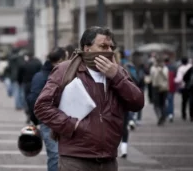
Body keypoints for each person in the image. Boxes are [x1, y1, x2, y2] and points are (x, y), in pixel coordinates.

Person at [34, 26, 144, 171]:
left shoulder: (119, 71)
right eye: (103, 46)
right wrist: (72, 125)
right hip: (75, 158)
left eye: (111, 47)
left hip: (108, 159)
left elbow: (137, 102)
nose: (109, 51)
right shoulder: (65, 70)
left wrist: (116, 77)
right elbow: (42, 107)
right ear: (87, 48)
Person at [27, 47, 67, 171]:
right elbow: (33, 99)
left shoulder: (64, 74)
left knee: (62, 156)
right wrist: (36, 120)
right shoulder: (42, 76)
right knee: (55, 155)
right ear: (60, 60)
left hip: (65, 120)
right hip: (49, 121)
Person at [17, 52, 42, 123]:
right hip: (36, 84)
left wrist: (20, 82)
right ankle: (35, 115)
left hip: (26, 84)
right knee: (35, 99)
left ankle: (28, 114)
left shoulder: (24, 64)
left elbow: (19, 75)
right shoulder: (38, 63)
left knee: (27, 100)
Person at [150, 57, 169, 126]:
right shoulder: (155, 68)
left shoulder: (163, 68)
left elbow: (166, 77)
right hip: (158, 87)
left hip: (160, 88)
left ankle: (161, 117)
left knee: (160, 104)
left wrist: (160, 70)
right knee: (159, 104)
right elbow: (153, 77)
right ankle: (161, 117)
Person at [183, 55, 193, 124]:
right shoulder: (192, 69)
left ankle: (192, 116)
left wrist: (188, 83)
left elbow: (185, 77)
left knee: (192, 103)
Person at [165, 58, 176, 122]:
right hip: (172, 87)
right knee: (171, 101)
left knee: (165, 101)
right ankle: (170, 114)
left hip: (164, 87)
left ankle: (166, 113)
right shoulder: (173, 68)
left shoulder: (163, 68)